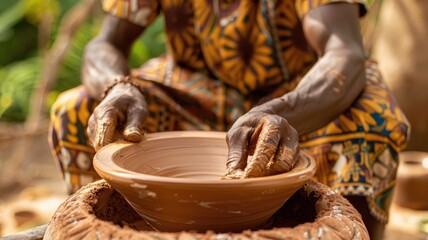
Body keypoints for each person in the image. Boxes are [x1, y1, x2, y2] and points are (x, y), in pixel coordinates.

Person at [48, 0, 409, 239]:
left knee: (372, 118)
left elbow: (343, 52)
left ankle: (344, 231)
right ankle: (105, 227)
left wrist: (280, 112)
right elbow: (105, 44)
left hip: (298, 98)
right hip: (192, 94)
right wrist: (117, 87)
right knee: (79, 108)